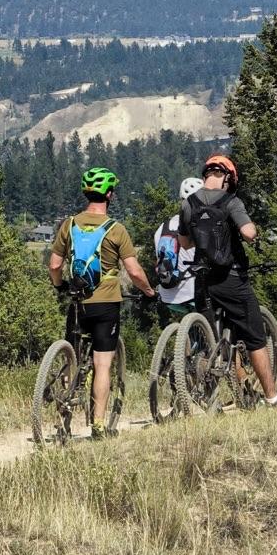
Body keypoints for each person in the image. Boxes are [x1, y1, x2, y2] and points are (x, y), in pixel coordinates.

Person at [49, 165, 157, 438]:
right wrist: (149, 292)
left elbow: (54, 265)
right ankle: (98, 426)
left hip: (76, 302)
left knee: (71, 355)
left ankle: (64, 412)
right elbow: (133, 271)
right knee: (102, 364)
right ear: (110, 195)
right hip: (106, 303)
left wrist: (60, 285)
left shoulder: (69, 225)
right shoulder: (116, 229)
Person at [177, 155, 277, 407]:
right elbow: (248, 233)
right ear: (227, 178)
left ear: (205, 175)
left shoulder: (188, 204)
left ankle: (229, 395)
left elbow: (184, 243)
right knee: (255, 338)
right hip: (231, 278)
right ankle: (272, 397)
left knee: (214, 340)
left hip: (202, 281)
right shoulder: (231, 201)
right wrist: (249, 230)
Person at [151, 176, 203, 331]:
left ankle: (190, 351)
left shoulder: (163, 227)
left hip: (168, 294)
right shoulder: (199, 226)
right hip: (192, 293)